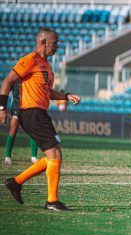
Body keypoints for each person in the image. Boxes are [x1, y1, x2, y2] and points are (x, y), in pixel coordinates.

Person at [0, 28, 81, 211]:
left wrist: (66, 96)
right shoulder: (30, 60)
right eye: (55, 43)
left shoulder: (47, 65)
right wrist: (2, 107)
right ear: (44, 42)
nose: (57, 47)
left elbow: (47, 92)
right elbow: (7, 81)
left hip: (39, 113)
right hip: (30, 112)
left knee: (52, 156)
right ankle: (51, 201)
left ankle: (16, 182)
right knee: (55, 154)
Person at [3, 81, 39, 165]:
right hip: (16, 108)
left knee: (33, 131)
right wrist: (2, 107)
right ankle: (7, 157)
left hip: (30, 108)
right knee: (13, 130)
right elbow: (5, 90)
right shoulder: (15, 78)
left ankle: (34, 158)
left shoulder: (31, 78)